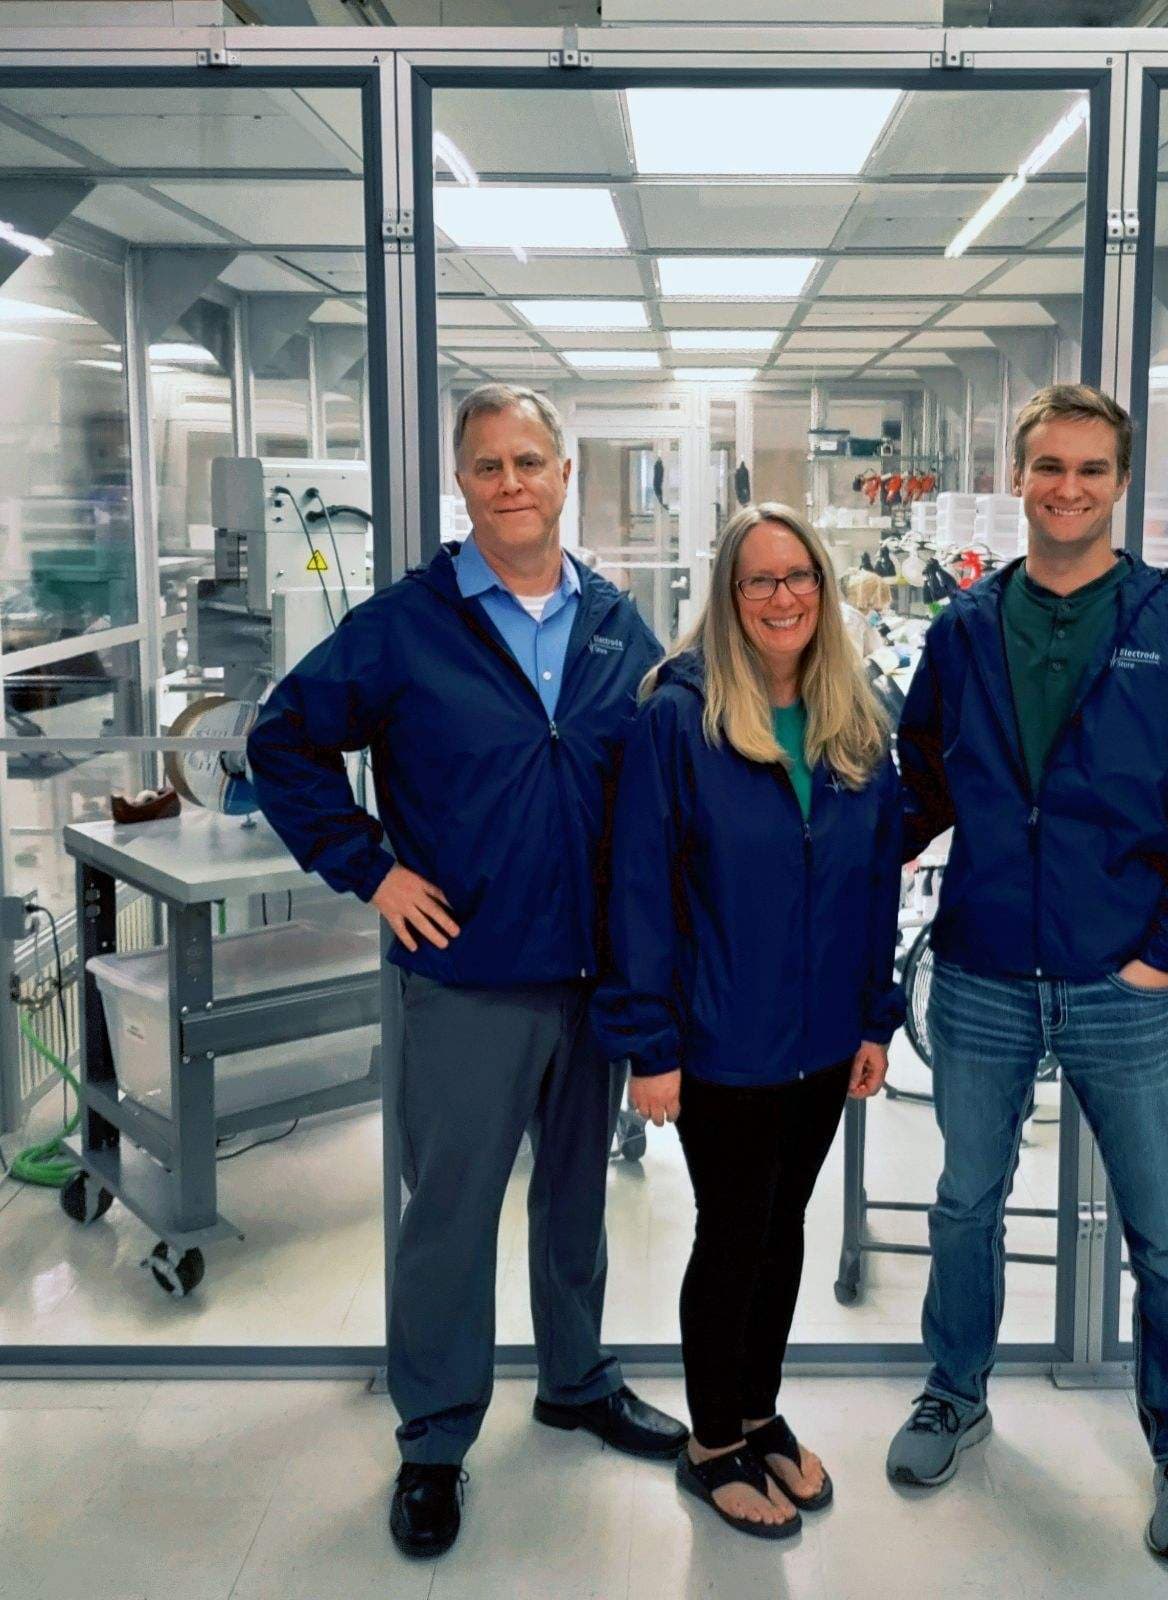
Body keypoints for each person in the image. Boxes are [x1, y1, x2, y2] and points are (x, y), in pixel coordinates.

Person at [247, 383, 687, 1562]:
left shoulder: (612, 621)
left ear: (562, 475)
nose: (511, 483)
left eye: (529, 462)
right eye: (488, 465)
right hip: (464, 977)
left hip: (590, 978)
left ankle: (576, 1378)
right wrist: (369, 869)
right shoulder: (405, 625)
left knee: (574, 1202)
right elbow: (282, 740)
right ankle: (435, 1438)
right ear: (463, 484)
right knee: (446, 1215)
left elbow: (657, 769)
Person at [886, 384, 1168, 1566]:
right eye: (1047, 467)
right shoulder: (962, 629)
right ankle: (954, 1391)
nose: (1066, 489)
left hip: (1123, 980)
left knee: (1162, 1227)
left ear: (1118, 480)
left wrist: (1166, 954)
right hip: (988, 966)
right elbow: (917, 785)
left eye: (1090, 470)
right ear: (1016, 478)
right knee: (963, 1203)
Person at [595, 503, 903, 1541]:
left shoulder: (853, 718)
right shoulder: (675, 719)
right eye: (759, 581)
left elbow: (873, 887)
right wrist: (651, 1042)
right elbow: (637, 889)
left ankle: (759, 1410)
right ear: (727, 600)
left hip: (822, 1038)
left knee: (784, 1230)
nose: (783, 597)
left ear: (823, 588)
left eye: (799, 577)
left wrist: (875, 1015)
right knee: (731, 1232)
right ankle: (710, 1441)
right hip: (722, 1034)